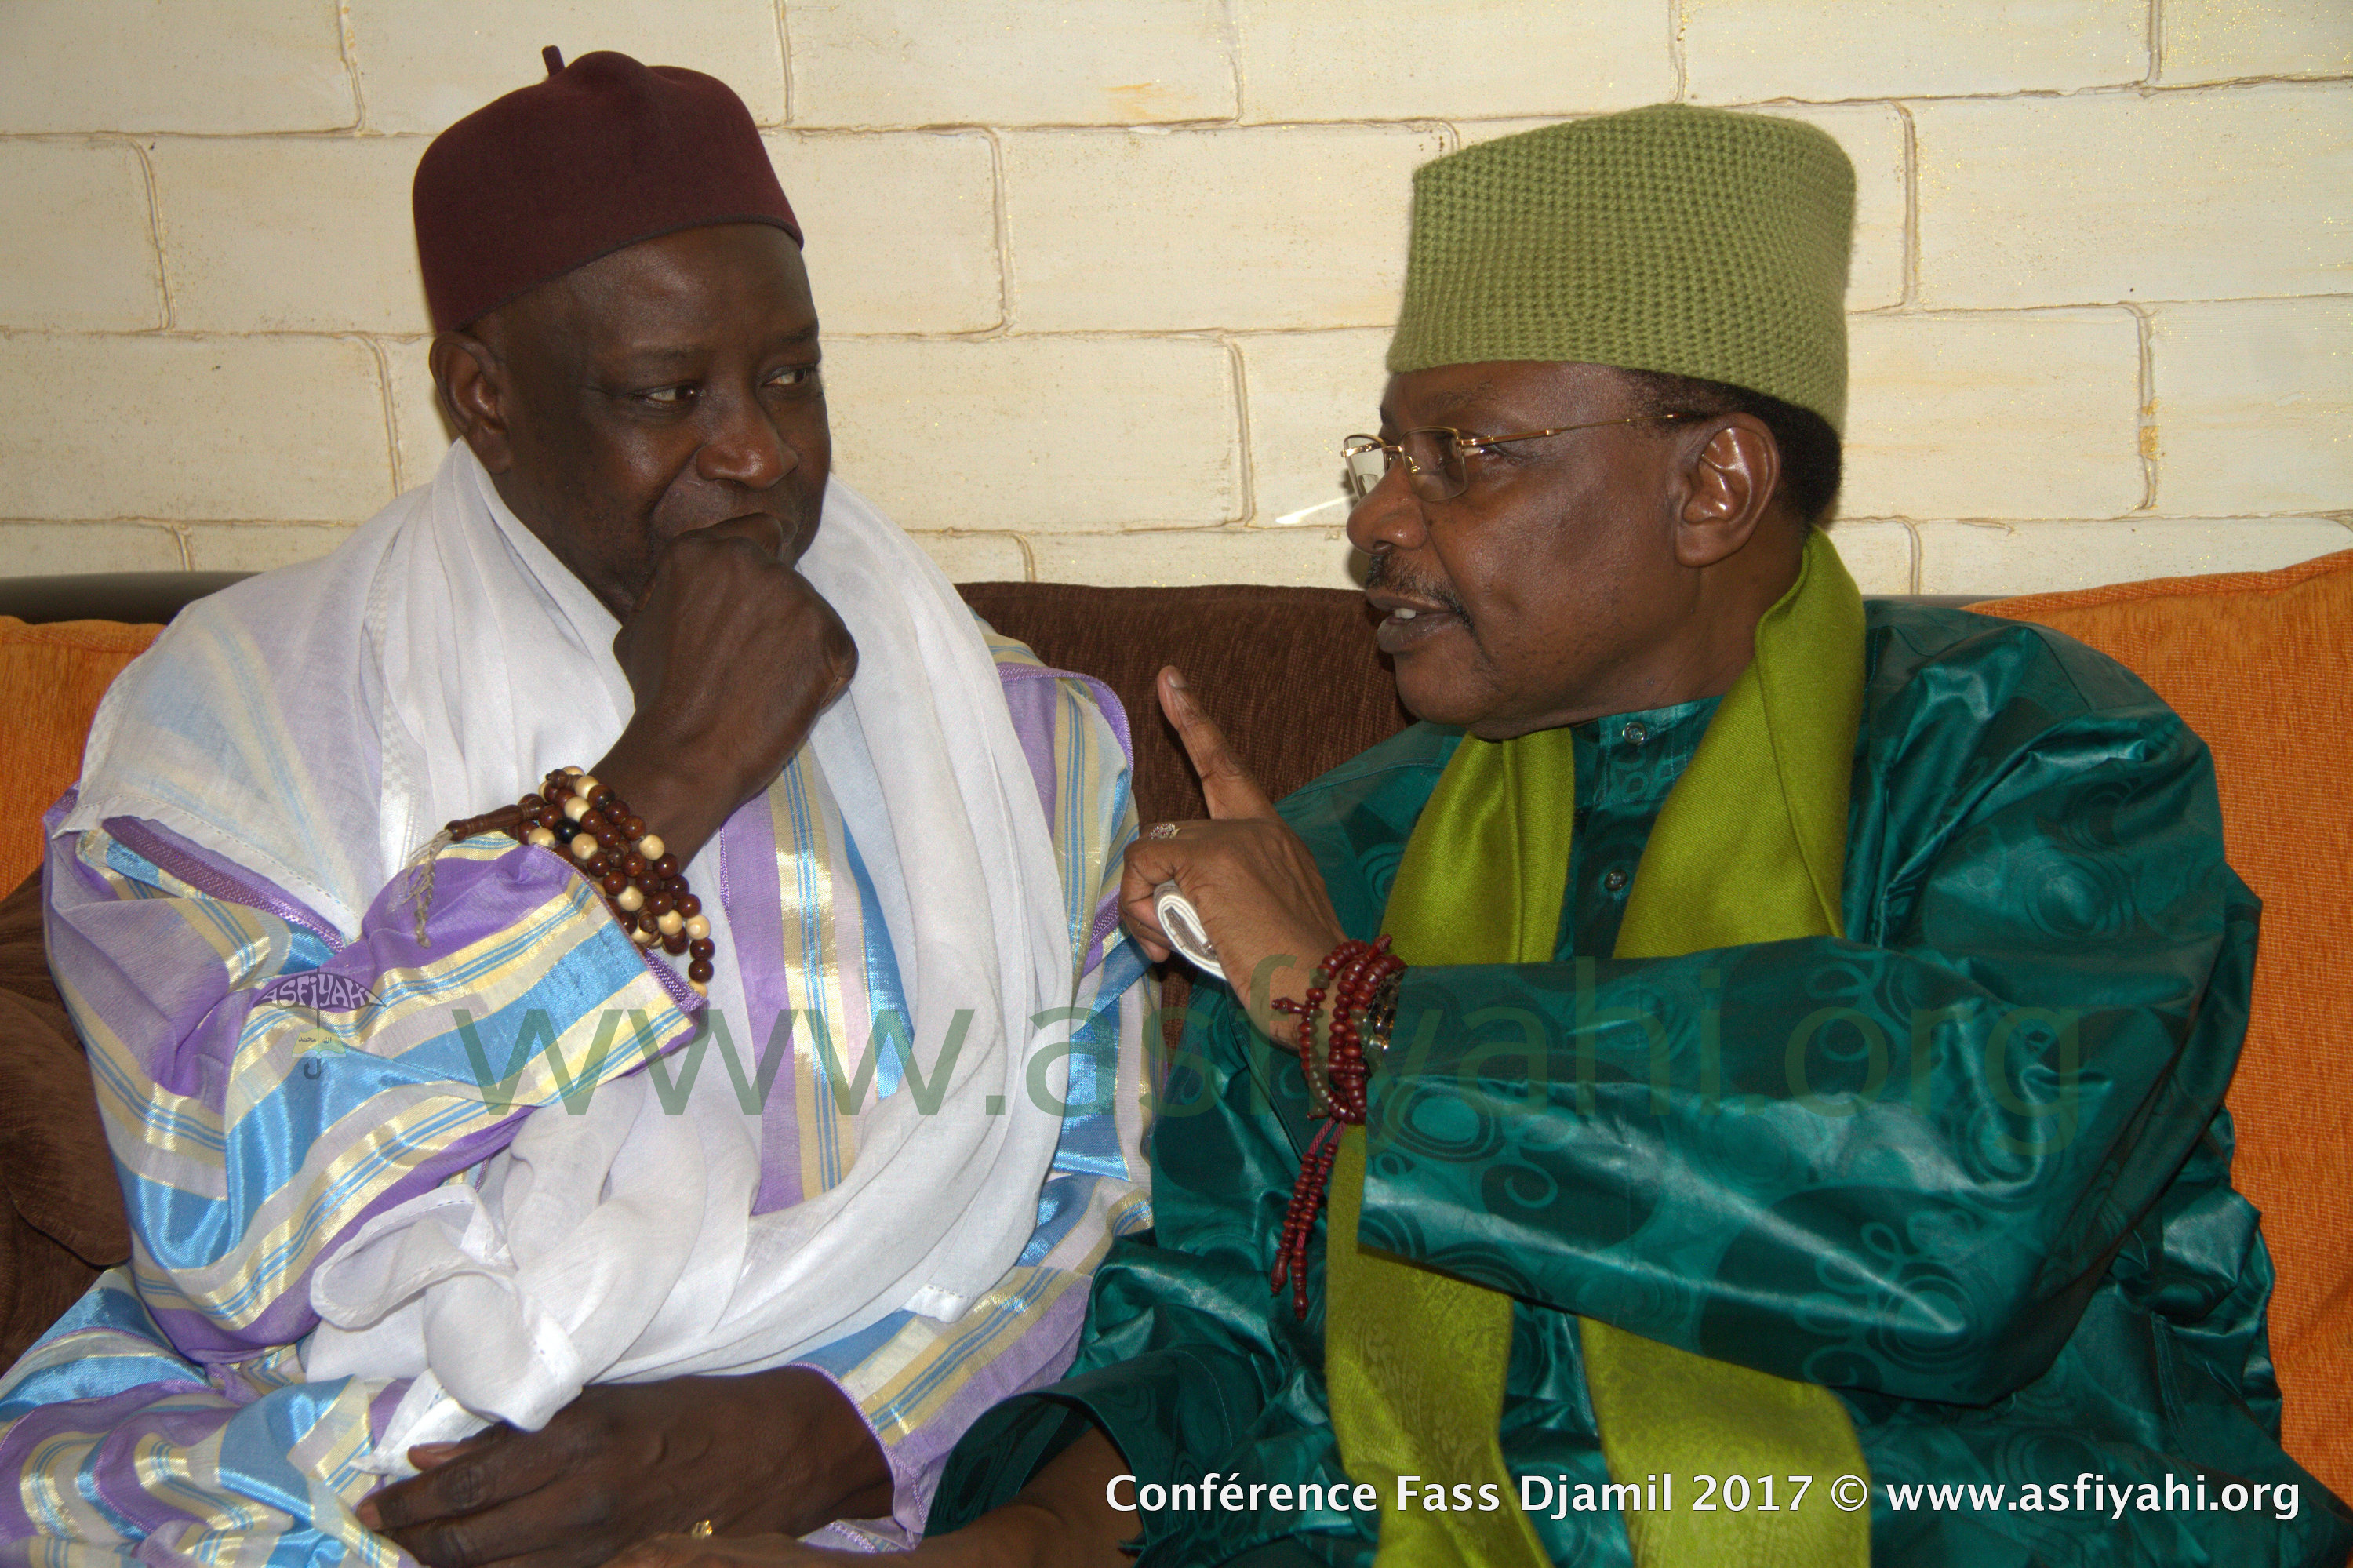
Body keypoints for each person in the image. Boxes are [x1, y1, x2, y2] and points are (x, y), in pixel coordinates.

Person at [614, 104, 2351, 1566]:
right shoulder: (1348, 843)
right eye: (1387, 449)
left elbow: (1969, 1202)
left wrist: (1353, 1012)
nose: (1375, 518)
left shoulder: (2037, 752)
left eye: (1466, 455)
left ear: (1714, 485)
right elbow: (1212, 1326)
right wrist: (1016, 1549)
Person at [0, 49, 1150, 1566]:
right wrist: (652, 795)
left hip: (843, 1464)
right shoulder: (245, 719)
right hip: (336, 1451)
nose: (757, 454)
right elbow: (232, 1223)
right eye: (668, 396)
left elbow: (1089, 1188)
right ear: (484, 397)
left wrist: (828, 1430)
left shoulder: (1020, 740)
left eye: (791, 377)